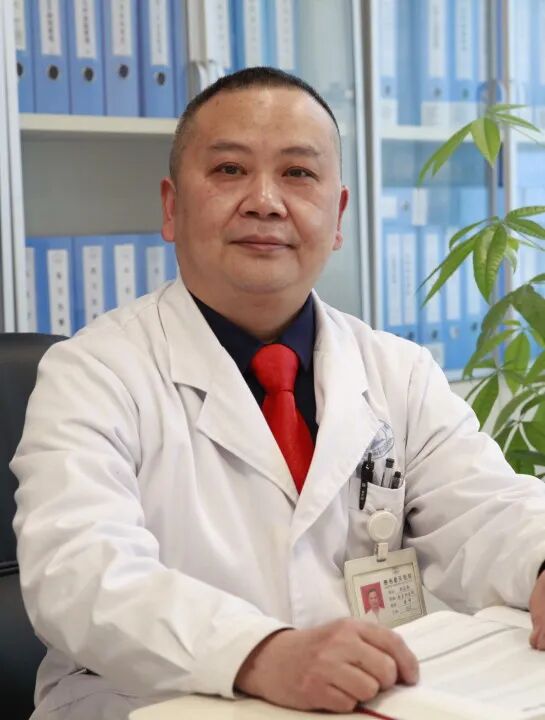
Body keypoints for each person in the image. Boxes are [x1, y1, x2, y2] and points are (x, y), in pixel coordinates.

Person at [11, 66, 545, 720]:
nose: (265, 201)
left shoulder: (396, 370)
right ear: (172, 208)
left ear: (337, 215)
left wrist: (540, 562)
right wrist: (259, 653)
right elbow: (78, 572)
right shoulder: (92, 373)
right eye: (229, 169)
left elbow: (487, 508)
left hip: (363, 701)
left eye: (297, 173)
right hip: (150, 706)